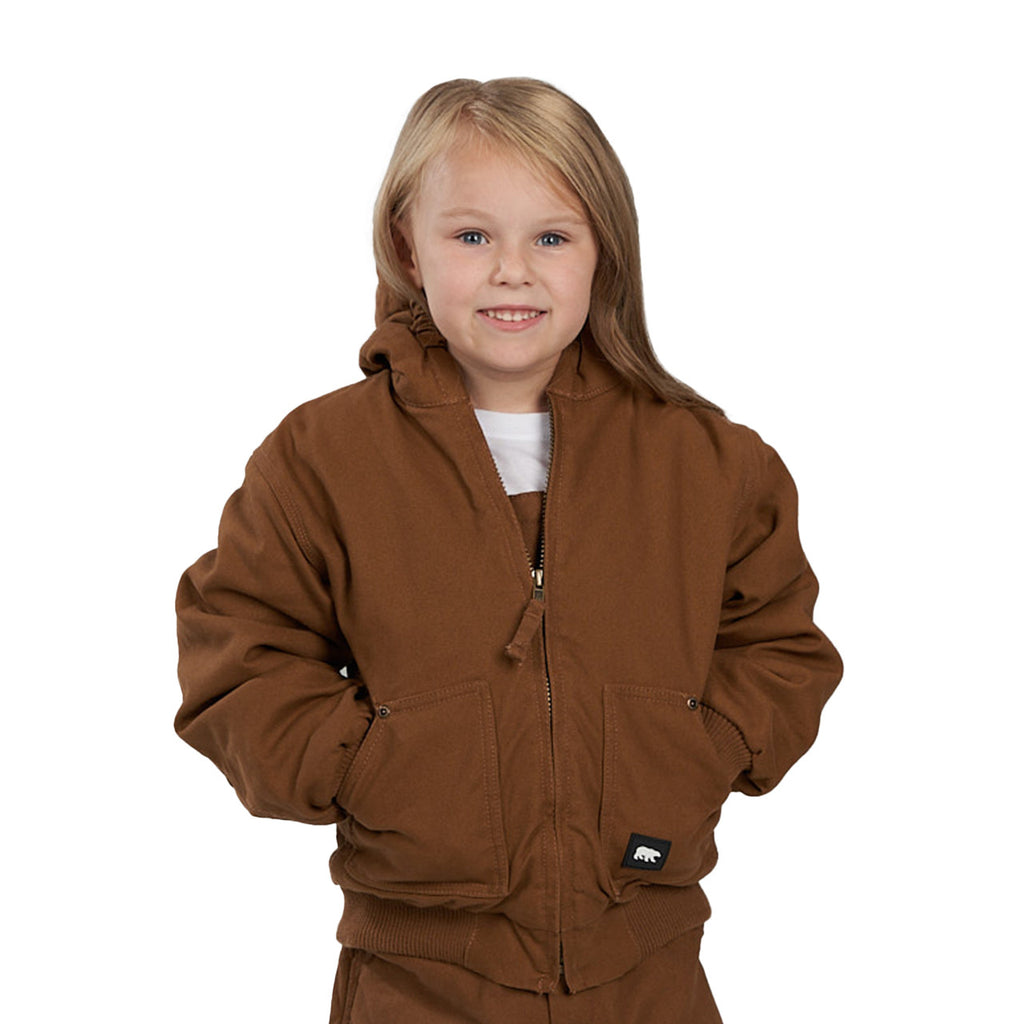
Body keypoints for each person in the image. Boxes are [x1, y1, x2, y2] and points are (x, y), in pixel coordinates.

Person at [175, 77, 843, 1023]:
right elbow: (239, 659)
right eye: (472, 236)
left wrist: (697, 752)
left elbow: (778, 645)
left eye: (553, 238)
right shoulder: (322, 460)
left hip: (647, 972)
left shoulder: (706, 462)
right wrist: (369, 762)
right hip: (417, 980)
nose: (512, 272)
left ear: (604, 249)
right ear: (409, 244)